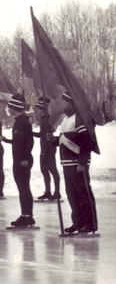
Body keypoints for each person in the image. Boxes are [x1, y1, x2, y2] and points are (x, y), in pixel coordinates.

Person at [51, 91, 98, 234]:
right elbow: (67, 139)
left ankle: (90, 224)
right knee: (72, 194)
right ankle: (78, 223)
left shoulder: (79, 118)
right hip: (67, 164)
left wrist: (82, 162)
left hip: (77, 164)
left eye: (64, 101)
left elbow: (87, 142)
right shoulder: (66, 119)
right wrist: (53, 140)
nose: (62, 104)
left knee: (83, 194)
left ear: (70, 103)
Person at [1, 94, 35, 227]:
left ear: (15, 108)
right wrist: (6, 140)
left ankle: (29, 216)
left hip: (23, 161)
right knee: (21, 188)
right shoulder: (18, 121)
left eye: (10, 107)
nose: (8, 110)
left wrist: (25, 158)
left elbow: (29, 142)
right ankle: (24, 214)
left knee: (24, 187)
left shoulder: (24, 122)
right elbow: (18, 141)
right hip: (18, 160)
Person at [33, 97, 61, 200]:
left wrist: (44, 150)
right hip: (44, 149)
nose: (37, 111)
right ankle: (48, 191)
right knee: (44, 170)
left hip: (49, 149)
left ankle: (57, 192)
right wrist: (30, 133)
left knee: (53, 170)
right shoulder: (43, 120)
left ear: (42, 109)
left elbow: (48, 136)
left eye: (39, 109)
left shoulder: (48, 119)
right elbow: (42, 134)